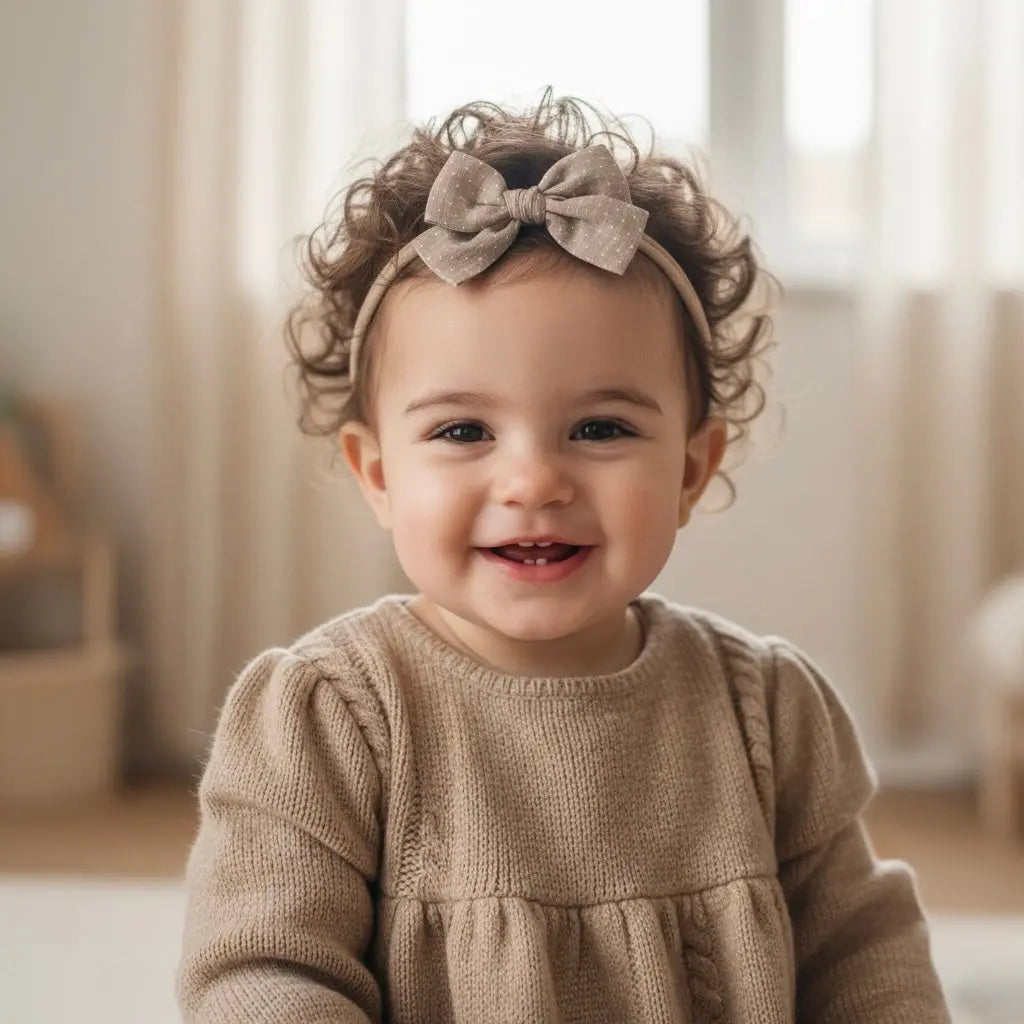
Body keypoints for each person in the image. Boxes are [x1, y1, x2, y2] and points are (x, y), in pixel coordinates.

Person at [175, 91, 952, 1023]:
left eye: (599, 427)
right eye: (464, 429)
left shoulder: (767, 714)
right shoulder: (329, 718)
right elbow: (262, 973)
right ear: (377, 474)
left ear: (691, 470)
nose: (534, 479)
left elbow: (863, 955)